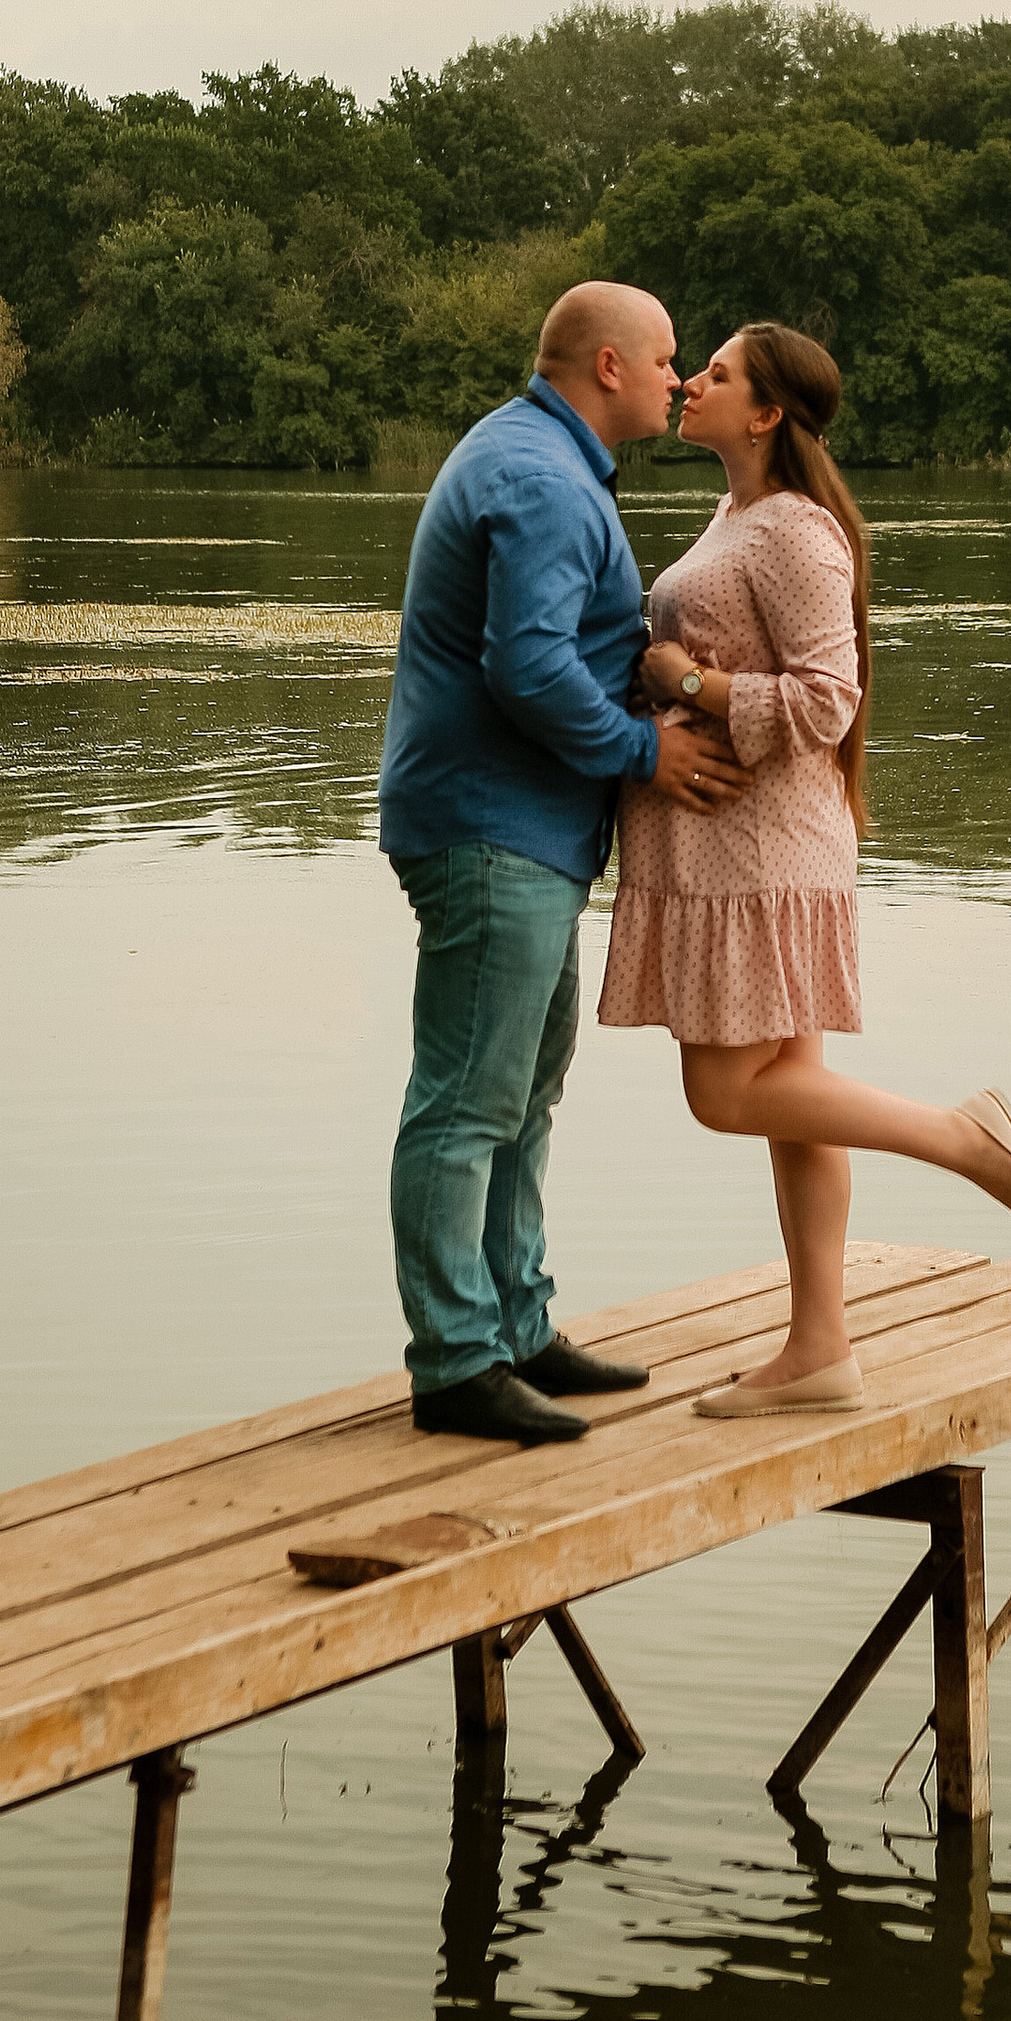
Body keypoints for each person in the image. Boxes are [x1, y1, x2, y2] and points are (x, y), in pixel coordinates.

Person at [599, 319, 1011, 1413]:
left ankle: (967, 1140)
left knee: (723, 1093)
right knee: (791, 1103)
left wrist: (690, 686)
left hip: (761, 852)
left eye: (714, 374)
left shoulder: (797, 533)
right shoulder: (736, 513)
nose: (690, 384)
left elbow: (826, 700)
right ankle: (821, 1351)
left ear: (764, 413)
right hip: (738, 845)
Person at [377, 281, 750, 1445]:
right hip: (491, 828)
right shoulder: (539, 478)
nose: (680, 379)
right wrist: (645, 752)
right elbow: (529, 669)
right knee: (468, 1100)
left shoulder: (545, 456)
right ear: (607, 366)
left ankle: (517, 1328)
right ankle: (454, 1365)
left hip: (523, 830)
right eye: (668, 360)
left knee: (525, 1087)